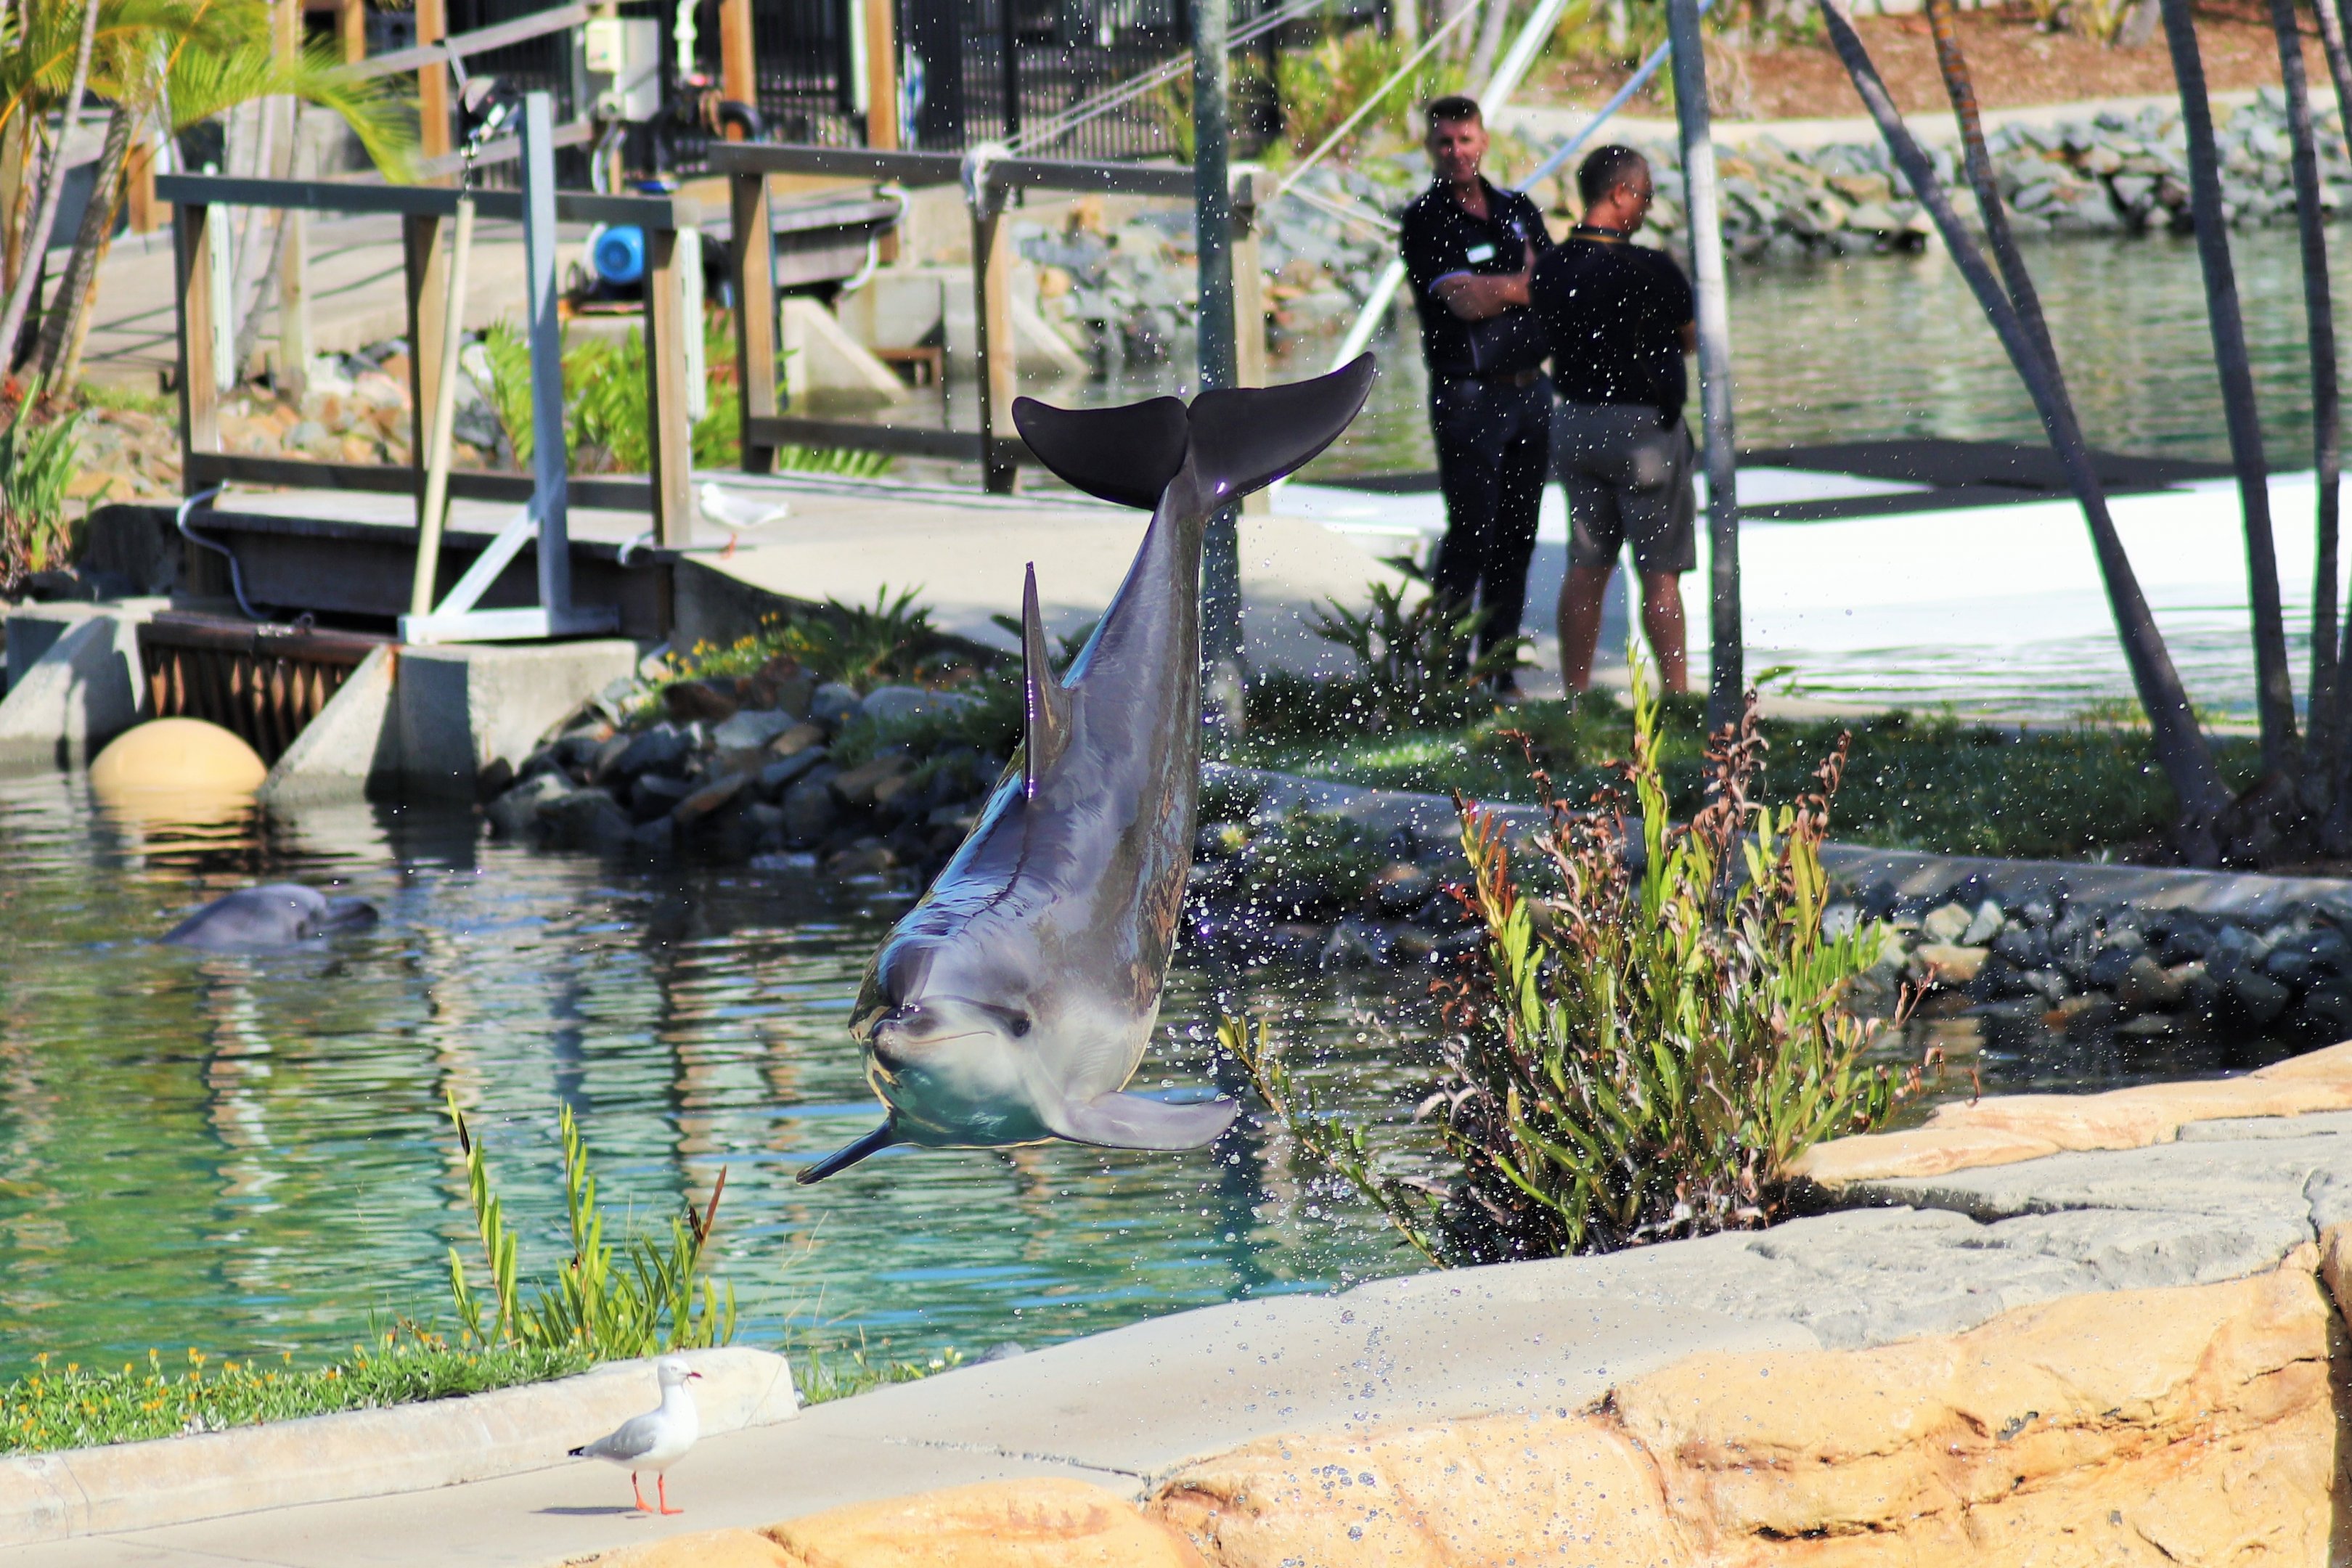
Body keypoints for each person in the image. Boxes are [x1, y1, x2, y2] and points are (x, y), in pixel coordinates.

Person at [1530, 144, 1699, 695]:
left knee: (1587, 568)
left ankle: (1576, 695)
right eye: (1645, 195)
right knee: (1660, 575)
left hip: (1575, 424)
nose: (1648, 206)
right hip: (1643, 433)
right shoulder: (1651, 267)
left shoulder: (1551, 267)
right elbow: (1691, 340)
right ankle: (1675, 693)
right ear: (1620, 193)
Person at [1398, 94, 1553, 690]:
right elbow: (1461, 299)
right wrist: (1522, 284)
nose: (1457, 152)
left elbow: (1553, 284)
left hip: (1529, 393)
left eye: (1466, 140)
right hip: (1468, 395)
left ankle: (1501, 670)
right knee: (1472, 532)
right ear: (1430, 149)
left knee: (1519, 536)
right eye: (1445, 142)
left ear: (1484, 140)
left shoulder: (1517, 209)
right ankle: (1444, 668)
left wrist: (1502, 287)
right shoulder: (1428, 218)